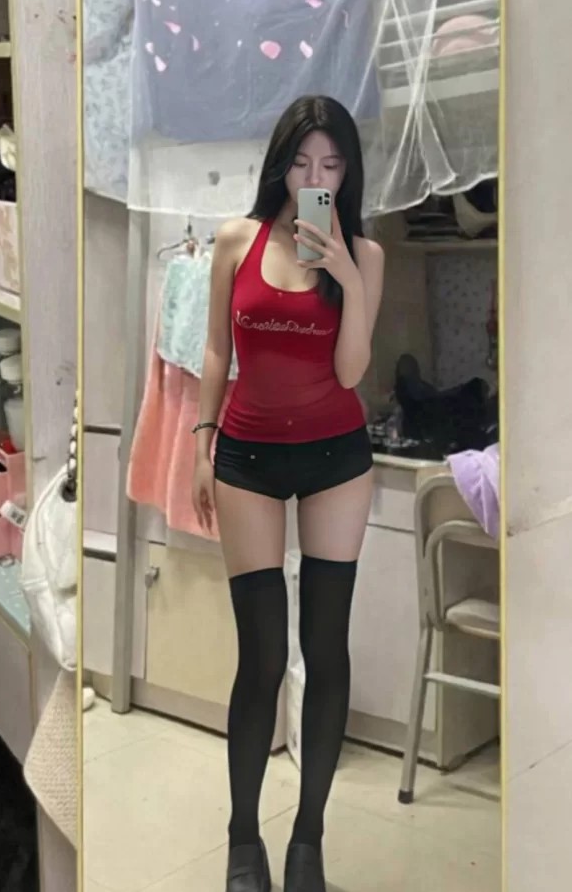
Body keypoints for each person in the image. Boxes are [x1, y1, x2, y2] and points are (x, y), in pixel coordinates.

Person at [191, 95, 385, 892]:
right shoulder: (235, 240)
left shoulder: (364, 253)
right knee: (263, 654)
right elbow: (214, 349)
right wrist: (201, 441)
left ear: (347, 173)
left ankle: (308, 840)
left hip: (337, 457)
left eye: (331, 165)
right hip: (247, 457)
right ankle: (244, 841)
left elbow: (350, 371)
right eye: (303, 162)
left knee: (327, 648)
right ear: (281, 164)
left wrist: (345, 277)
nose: (315, 178)